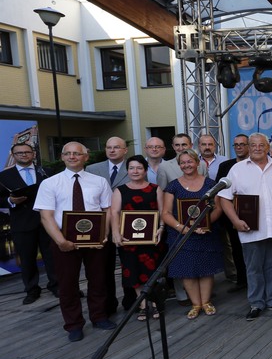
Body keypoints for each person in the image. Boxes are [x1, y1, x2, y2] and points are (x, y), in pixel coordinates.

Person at [35, 142, 114, 342]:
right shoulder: (50, 183)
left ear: (86, 157)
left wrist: (104, 236)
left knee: (98, 280)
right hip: (63, 238)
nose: (72, 157)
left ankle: (99, 316)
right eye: (68, 154)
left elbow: (107, 210)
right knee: (68, 284)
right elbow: (46, 216)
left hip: (95, 239)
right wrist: (61, 241)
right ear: (62, 157)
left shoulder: (99, 182)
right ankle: (74, 325)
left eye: (77, 154)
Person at [220, 133, 272, 320]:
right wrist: (235, 221)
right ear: (249, 148)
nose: (257, 148)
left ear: (268, 147)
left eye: (261, 145)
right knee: (253, 268)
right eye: (253, 145)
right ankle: (256, 303)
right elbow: (224, 198)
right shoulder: (237, 169)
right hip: (250, 229)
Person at [161, 149, 224, 319]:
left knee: (205, 269)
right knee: (187, 271)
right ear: (179, 165)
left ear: (197, 163)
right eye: (183, 162)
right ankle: (195, 304)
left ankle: (206, 302)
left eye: (190, 161)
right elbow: (166, 213)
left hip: (206, 233)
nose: (186, 165)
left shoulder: (211, 184)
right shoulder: (173, 186)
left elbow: (218, 208)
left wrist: (207, 223)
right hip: (181, 235)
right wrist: (182, 228)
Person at [0, 142, 57, 304]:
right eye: (19, 153)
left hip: (48, 221)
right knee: (27, 259)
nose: (24, 155)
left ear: (33, 154)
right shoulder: (4, 176)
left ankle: (56, 285)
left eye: (27, 152)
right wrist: (10, 200)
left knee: (52, 256)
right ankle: (32, 290)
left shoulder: (47, 172)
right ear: (13, 156)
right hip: (22, 223)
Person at [109, 155, 164, 320]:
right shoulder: (120, 190)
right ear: (127, 170)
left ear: (145, 170)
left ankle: (154, 304)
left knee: (152, 271)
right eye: (132, 168)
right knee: (134, 272)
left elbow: (162, 212)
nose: (135, 171)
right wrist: (116, 233)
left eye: (139, 168)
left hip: (151, 239)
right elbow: (114, 213)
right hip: (129, 241)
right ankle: (142, 304)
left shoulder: (156, 188)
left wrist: (161, 228)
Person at [87, 135, 130, 313]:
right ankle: (108, 304)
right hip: (101, 225)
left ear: (125, 150)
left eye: (116, 147)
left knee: (128, 265)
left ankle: (131, 301)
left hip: (126, 223)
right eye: (109, 147)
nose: (112, 150)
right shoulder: (91, 169)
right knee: (103, 268)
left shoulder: (134, 167)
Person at [216, 134, 249, 290]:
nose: (239, 147)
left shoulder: (253, 165)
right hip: (231, 214)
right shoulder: (225, 166)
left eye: (242, 144)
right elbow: (220, 191)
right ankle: (242, 280)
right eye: (236, 144)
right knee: (235, 247)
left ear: (249, 146)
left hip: (252, 212)